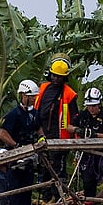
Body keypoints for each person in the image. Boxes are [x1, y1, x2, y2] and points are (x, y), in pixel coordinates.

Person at [35, 55, 80, 193]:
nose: (56, 79)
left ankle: (58, 196)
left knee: (58, 169)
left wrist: (77, 141)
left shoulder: (69, 94)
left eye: (59, 77)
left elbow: (75, 117)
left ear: (64, 77)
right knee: (43, 168)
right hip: (42, 134)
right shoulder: (42, 89)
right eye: (54, 76)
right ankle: (45, 197)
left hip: (60, 138)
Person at [0, 79, 41, 205]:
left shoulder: (34, 114)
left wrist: (41, 138)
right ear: (24, 95)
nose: (34, 99)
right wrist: (16, 146)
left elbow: (39, 128)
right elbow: (2, 133)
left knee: (27, 186)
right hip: (15, 157)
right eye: (31, 96)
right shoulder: (14, 114)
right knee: (15, 187)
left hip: (29, 155)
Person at [75, 87, 103, 199]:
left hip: (102, 153)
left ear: (99, 104)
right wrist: (78, 130)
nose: (91, 109)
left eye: (94, 106)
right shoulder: (83, 116)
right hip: (87, 154)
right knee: (88, 180)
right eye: (89, 106)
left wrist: (95, 135)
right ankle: (89, 203)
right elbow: (69, 127)